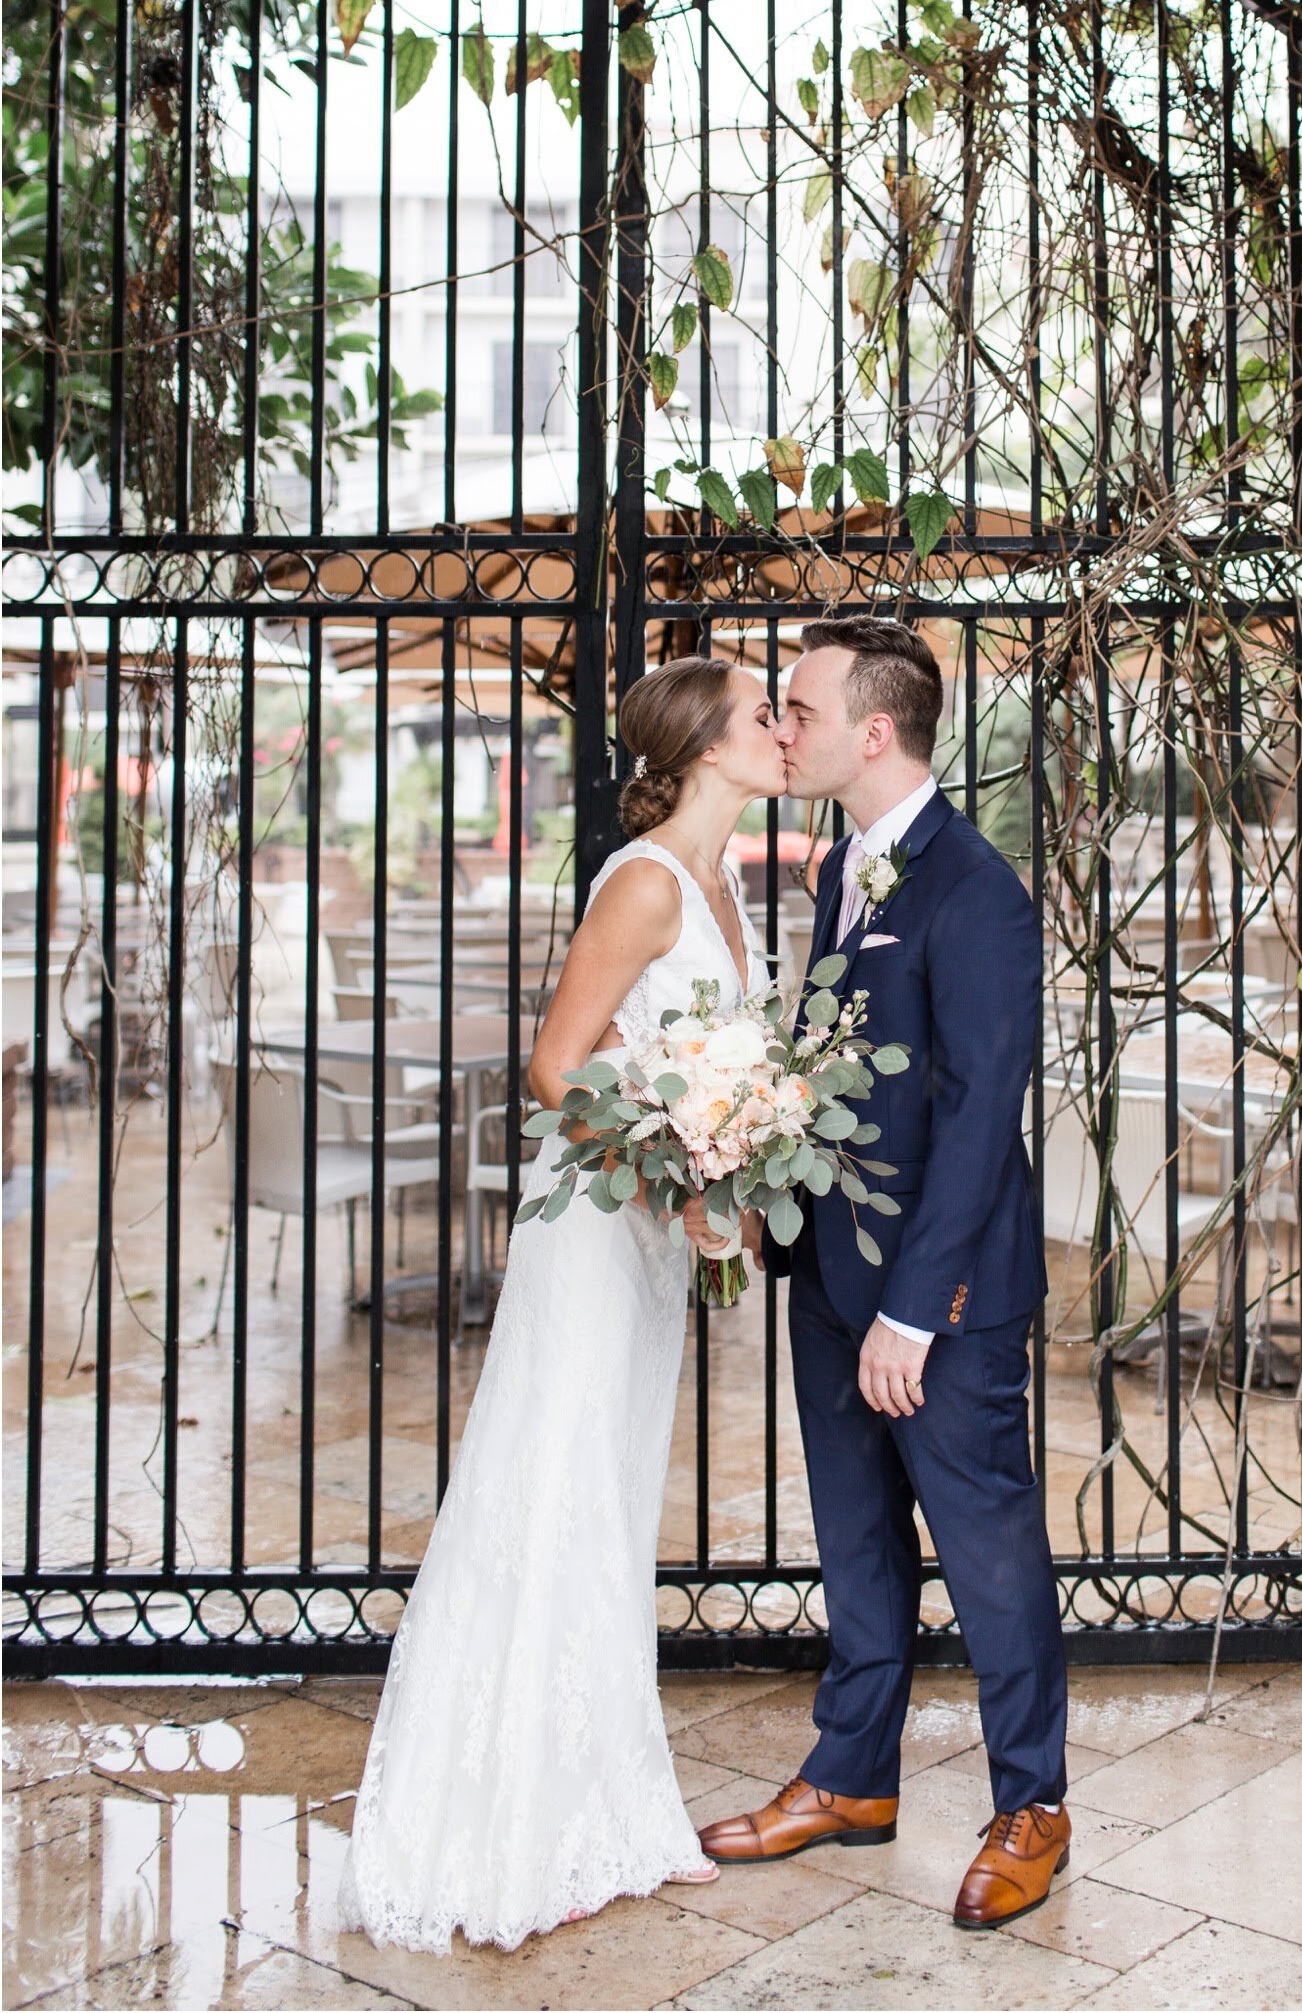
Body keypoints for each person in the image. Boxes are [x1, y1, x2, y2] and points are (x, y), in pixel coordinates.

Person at [336, 655, 784, 1952]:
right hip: (595, 1232)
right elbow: (553, 1063)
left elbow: (704, 1063)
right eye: (762, 712)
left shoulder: (722, 878)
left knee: (608, 1500)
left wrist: (725, 1167)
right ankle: (508, 1826)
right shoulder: (644, 881)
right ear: (704, 746)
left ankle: (610, 1804)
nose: (780, 728)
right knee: (553, 1488)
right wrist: (674, 1162)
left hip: (649, 1239)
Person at [697, 614, 1070, 1933]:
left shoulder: (975, 889)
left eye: (796, 707)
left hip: (940, 1300)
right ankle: (852, 1777)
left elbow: (979, 1115)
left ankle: (1033, 1803)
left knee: (986, 1544)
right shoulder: (832, 873)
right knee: (857, 1544)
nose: (779, 727)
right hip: (828, 1278)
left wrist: (917, 1308)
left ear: (874, 728)